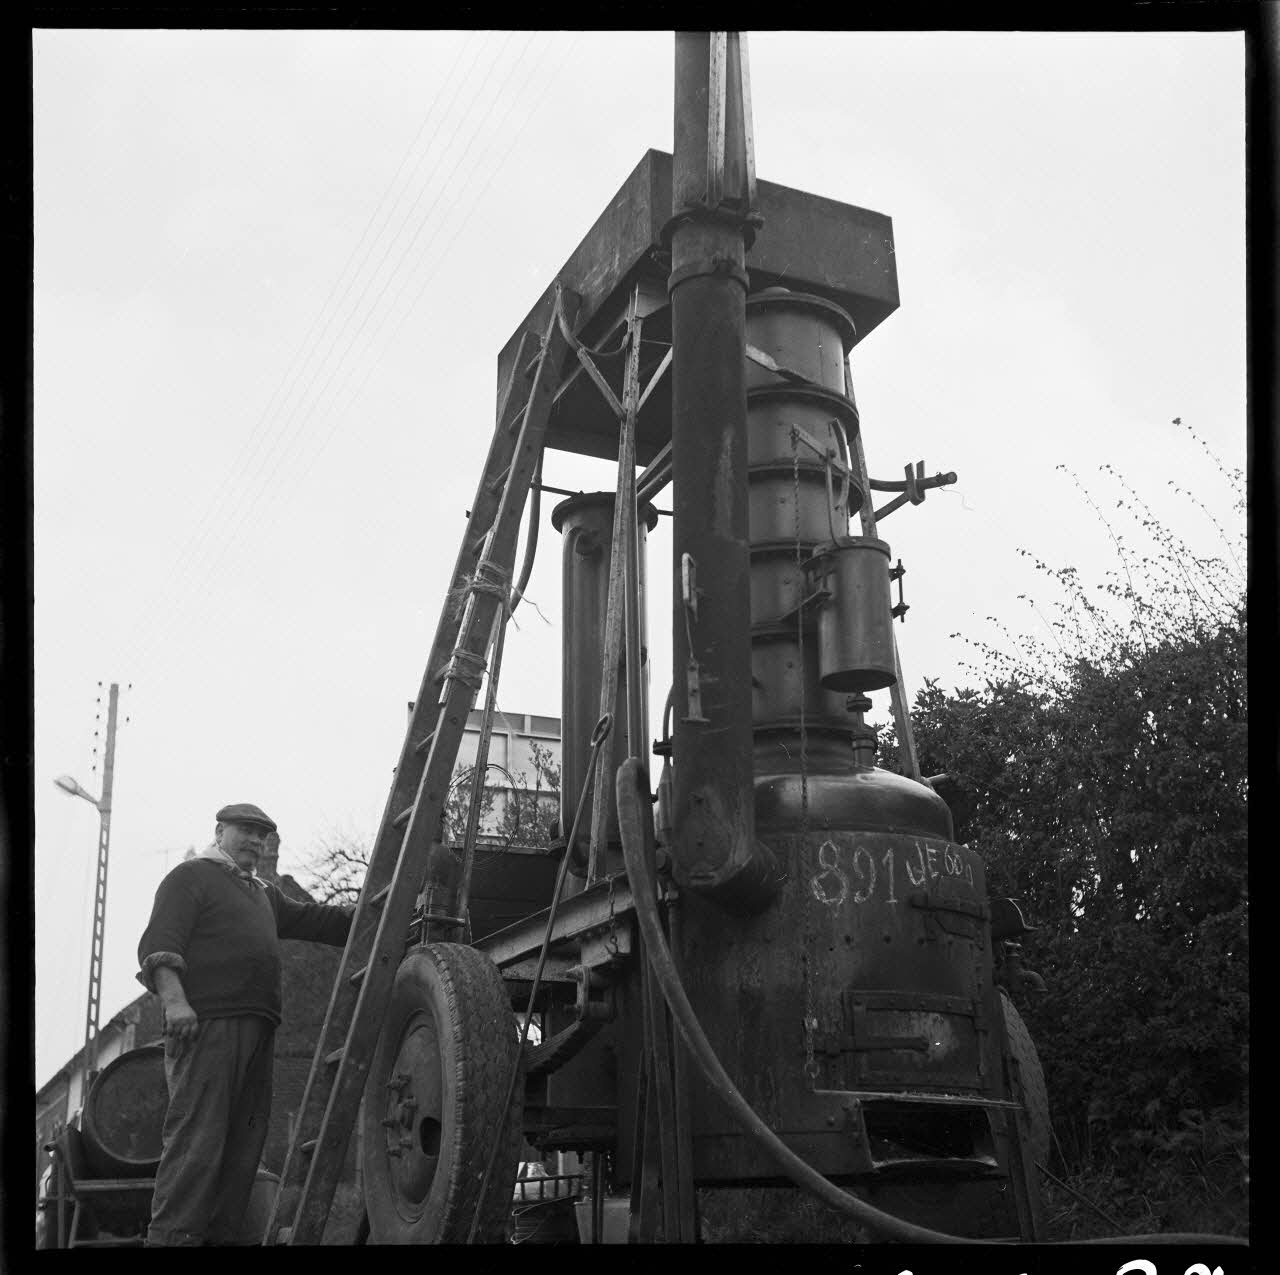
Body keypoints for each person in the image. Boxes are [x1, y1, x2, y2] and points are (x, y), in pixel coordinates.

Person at [137, 802, 354, 1246]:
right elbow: (161, 943)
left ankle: (222, 1239)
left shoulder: (263, 894)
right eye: (246, 831)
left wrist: (380, 906)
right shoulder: (191, 877)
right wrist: (176, 1002)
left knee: (243, 1149)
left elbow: (321, 921)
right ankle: (171, 1239)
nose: (256, 840)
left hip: (259, 1030)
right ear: (220, 832)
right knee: (197, 1141)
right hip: (207, 1024)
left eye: (262, 834)